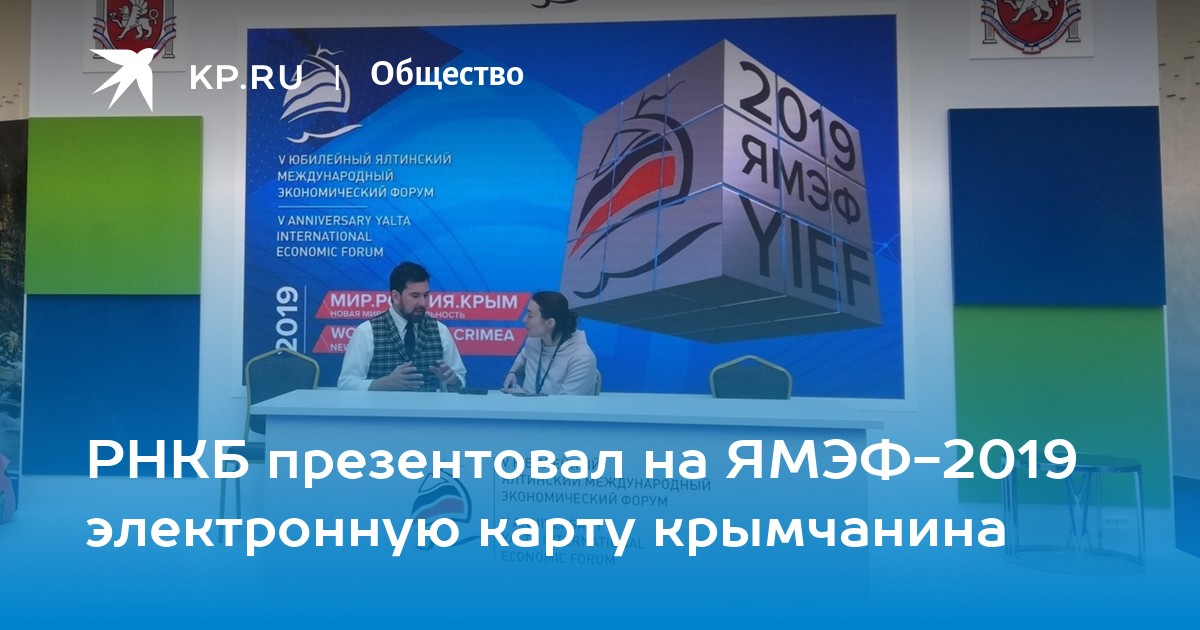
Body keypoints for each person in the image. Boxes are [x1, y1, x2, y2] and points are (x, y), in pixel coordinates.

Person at [338, 262, 466, 392]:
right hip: (381, 406)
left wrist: (452, 383)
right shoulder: (367, 332)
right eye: (415, 296)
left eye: (426, 295)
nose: (423, 303)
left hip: (429, 406)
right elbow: (346, 385)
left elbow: (458, 382)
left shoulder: (440, 331)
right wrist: (382, 384)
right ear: (396, 296)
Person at [502, 291, 597, 396]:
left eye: (530, 315)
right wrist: (513, 372)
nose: (524, 320)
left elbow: (566, 404)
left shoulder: (582, 359)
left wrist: (524, 397)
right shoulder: (533, 341)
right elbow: (524, 356)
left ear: (550, 323)